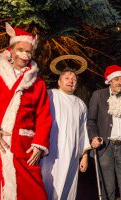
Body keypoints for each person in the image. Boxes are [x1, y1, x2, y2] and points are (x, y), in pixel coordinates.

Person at [0, 22, 52, 200]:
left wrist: (39, 144)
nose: (25, 55)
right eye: (20, 49)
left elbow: (43, 116)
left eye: (29, 51)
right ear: (11, 49)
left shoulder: (37, 83)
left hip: (23, 148)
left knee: (35, 194)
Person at [87, 65, 121, 200]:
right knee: (107, 188)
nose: (120, 82)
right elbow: (91, 121)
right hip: (105, 147)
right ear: (110, 80)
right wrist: (94, 137)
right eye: (116, 79)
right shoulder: (98, 95)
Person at [40, 68, 91, 200]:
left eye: (74, 79)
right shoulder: (50, 95)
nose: (71, 81)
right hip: (51, 153)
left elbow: (82, 132)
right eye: (67, 78)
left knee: (68, 188)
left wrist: (84, 156)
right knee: (47, 186)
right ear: (59, 81)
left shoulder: (81, 105)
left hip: (72, 155)